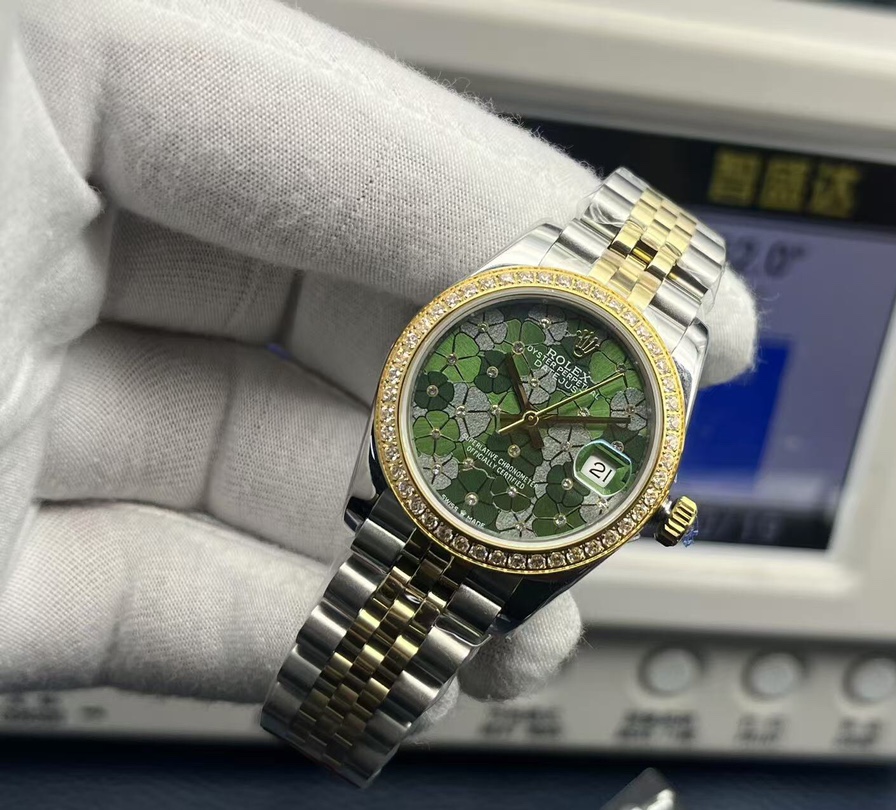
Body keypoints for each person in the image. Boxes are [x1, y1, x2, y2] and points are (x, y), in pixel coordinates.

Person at [0, 0, 756, 727]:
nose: (527, 424)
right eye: (522, 401)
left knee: (363, 686)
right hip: (433, 477)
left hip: (466, 508)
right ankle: (336, 718)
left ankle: (336, 718)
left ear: (651, 504)